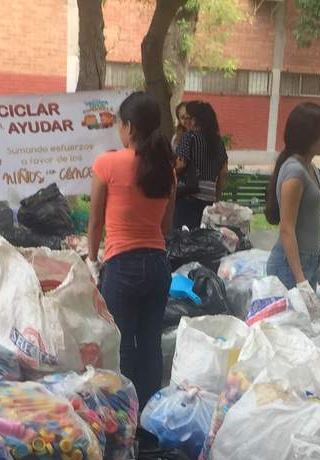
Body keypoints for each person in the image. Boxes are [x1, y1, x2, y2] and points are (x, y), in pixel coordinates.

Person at [88, 91, 175, 408]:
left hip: (122, 266)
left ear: (129, 127)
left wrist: (91, 259)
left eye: (119, 124)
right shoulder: (167, 170)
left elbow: (95, 222)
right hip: (158, 266)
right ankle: (149, 415)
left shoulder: (107, 163)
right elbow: (166, 227)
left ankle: (124, 414)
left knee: (121, 344)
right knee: (150, 344)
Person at [265, 102, 320, 301]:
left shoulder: (310, 169)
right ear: (306, 134)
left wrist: (318, 269)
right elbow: (287, 229)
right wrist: (300, 280)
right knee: (292, 321)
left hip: (307, 263)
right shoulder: (294, 171)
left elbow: (311, 225)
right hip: (289, 267)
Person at [173, 100, 228, 231]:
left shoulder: (189, 137)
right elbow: (224, 171)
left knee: (183, 238)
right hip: (209, 199)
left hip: (188, 196)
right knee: (201, 238)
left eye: (189, 117)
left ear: (196, 120)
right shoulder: (218, 141)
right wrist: (216, 197)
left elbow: (180, 164)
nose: (186, 121)